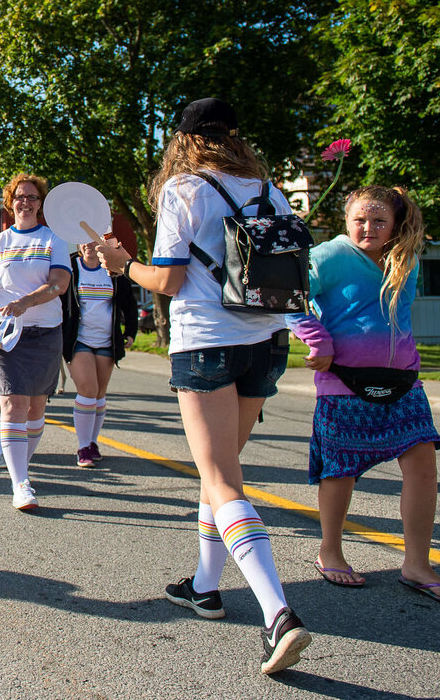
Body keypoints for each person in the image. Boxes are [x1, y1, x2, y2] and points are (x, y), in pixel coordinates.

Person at [97, 98, 311, 674]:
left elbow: (166, 279)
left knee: (219, 476)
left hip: (207, 341)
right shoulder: (268, 188)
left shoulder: (184, 189)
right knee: (222, 472)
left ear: (184, 140)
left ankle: (278, 614)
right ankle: (205, 586)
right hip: (265, 342)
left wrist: (122, 263)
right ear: (236, 136)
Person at [289, 186, 440, 604]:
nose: (367, 228)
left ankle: (416, 564)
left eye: (378, 221)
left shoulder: (404, 259)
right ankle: (330, 552)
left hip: (404, 381)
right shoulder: (329, 255)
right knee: (340, 470)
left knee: (423, 464)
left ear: (394, 224)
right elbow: (289, 300)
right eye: (359, 221)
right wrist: (318, 340)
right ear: (346, 221)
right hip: (343, 381)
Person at [0, 174, 71, 510]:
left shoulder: (53, 240)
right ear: (10, 202)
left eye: (32, 197)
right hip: (3, 332)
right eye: (19, 196)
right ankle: (21, 484)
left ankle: (21, 465)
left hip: (44, 332)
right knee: (13, 403)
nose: (25, 202)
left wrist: (25, 303)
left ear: (41, 203)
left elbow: (58, 284)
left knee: (36, 408)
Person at [61, 240, 139, 467]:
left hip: (107, 340)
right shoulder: (71, 268)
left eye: (93, 241)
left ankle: (93, 441)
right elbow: (59, 300)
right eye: (83, 241)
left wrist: (130, 331)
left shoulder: (112, 269)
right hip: (78, 340)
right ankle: (83, 446)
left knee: (99, 393)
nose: (88, 245)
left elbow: (129, 304)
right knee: (88, 390)